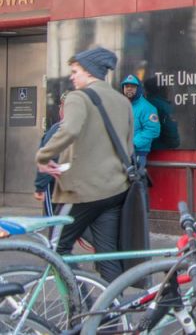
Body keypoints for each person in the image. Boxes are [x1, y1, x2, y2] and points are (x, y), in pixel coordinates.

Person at [35, 46, 133, 282]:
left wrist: (43, 157)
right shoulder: (122, 101)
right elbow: (129, 146)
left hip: (81, 191)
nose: (72, 76)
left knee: (56, 249)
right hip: (115, 189)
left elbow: (68, 130)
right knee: (107, 256)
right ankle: (113, 313)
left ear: (89, 72)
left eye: (75, 71)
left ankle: (81, 305)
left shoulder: (78, 97)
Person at [34, 91, 69, 216]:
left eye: (61, 106)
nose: (60, 109)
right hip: (75, 186)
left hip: (54, 183)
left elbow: (46, 158)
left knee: (54, 220)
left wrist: (40, 186)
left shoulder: (57, 129)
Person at [120, 74, 161, 168]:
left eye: (132, 86)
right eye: (126, 86)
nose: (129, 89)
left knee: (135, 181)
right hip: (121, 152)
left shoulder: (147, 108)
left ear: (138, 89)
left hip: (137, 154)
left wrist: (133, 144)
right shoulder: (120, 105)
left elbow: (153, 130)